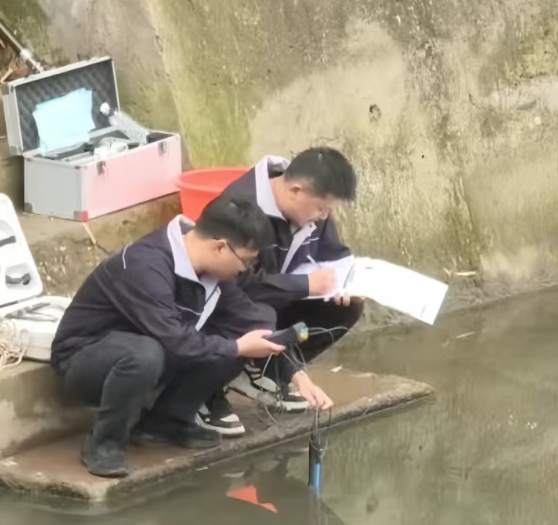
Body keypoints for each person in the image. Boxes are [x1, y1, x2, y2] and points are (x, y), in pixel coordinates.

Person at [50, 195, 294, 478]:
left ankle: (165, 423)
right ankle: (104, 444)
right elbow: (176, 341)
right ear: (219, 247)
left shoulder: (210, 270)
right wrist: (238, 347)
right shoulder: (145, 266)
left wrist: (291, 367)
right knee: (147, 353)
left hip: (152, 352)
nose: (244, 271)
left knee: (235, 340)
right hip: (87, 359)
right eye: (246, 262)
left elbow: (251, 317)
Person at [197, 147, 361, 437]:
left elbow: (334, 255)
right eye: (321, 208)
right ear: (296, 190)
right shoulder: (240, 207)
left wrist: (348, 282)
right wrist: (306, 285)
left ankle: (264, 370)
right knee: (256, 312)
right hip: (225, 306)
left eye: (328, 210)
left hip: (273, 300)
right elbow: (237, 282)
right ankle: (206, 391)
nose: (324, 217)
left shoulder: (310, 212)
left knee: (346, 306)